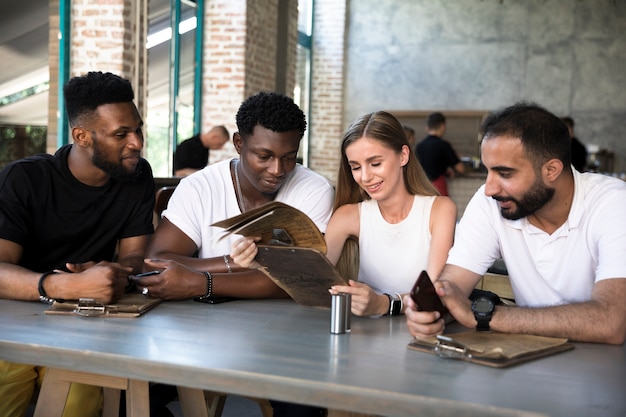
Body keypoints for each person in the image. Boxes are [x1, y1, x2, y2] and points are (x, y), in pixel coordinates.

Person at [141, 91, 333, 417]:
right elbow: (156, 261)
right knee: (129, 394)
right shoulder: (199, 187)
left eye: (289, 157)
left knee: (305, 406)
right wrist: (231, 263)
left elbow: (297, 279)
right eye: (264, 155)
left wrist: (199, 282)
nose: (278, 169)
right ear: (238, 144)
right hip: (197, 337)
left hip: (283, 338)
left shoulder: (313, 189)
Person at [404, 102, 626, 345]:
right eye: (488, 171)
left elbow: (611, 322)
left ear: (551, 170)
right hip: (530, 360)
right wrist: (435, 310)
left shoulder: (614, 203)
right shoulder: (490, 203)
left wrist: (485, 315)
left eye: (505, 173)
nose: (489, 189)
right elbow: (453, 284)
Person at [0, 71, 155, 417]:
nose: (137, 142)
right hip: (11, 323)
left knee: (76, 403)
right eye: (121, 134)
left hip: (82, 326)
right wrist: (68, 285)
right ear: (82, 136)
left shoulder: (136, 176)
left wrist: (115, 274)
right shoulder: (24, 179)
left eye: (137, 128)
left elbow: (134, 258)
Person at [233, 111, 457, 318]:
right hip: (363, 338)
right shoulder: (348, 216)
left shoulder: (439, 210)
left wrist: (384, 304)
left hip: (421, 336)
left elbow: (433, 294)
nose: (366, 177)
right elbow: (312, 278)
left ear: (403, 156)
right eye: (356, 167)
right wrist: (263, 260)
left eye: (375, 163)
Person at [415, 112, 465, 196]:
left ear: (427, 128)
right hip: (438, 187)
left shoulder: (419, 146)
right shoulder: (444, 145)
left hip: (422, 187)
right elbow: (461, 169)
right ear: (442, 127)